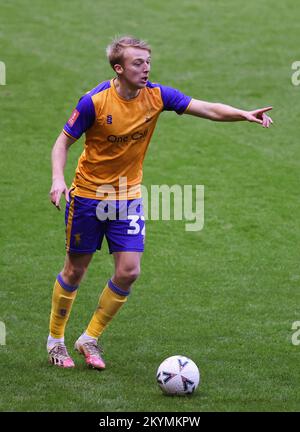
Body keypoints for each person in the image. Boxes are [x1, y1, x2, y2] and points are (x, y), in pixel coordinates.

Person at [47, 36, 273, 369]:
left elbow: (206, 108)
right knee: (75, 270)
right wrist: (57, 179)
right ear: (119, 68)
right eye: (138, 63)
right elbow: (62, 142)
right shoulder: (94, 102)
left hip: (128, 197)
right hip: (88, 197)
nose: (146, 68)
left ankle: (90, 338)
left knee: (128, 271)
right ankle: (56, 341)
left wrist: (243, 114)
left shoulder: (157, 96)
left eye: (148, 61)